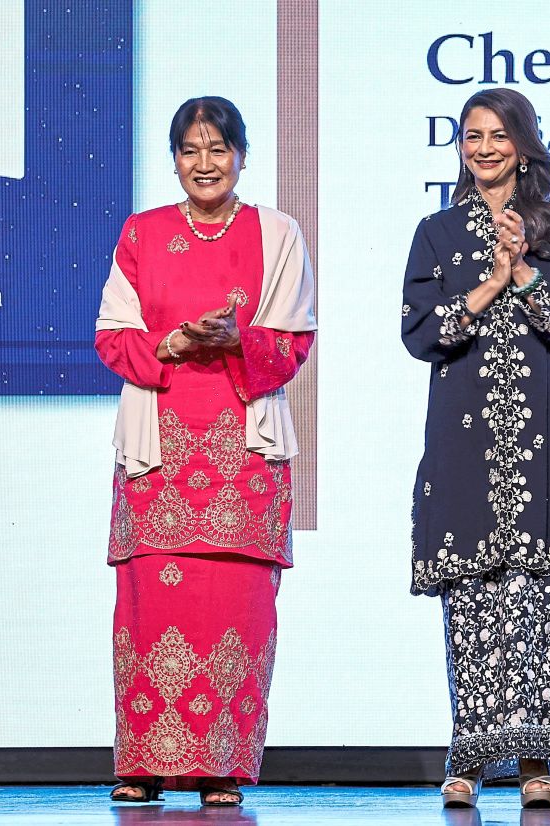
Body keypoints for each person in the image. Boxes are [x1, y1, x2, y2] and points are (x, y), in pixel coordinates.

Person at [95, 96, 317, 806]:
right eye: (190, 150)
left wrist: (235, 341)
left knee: (238, 607)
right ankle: (143, 764)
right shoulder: (143, 234)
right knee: (148, 608)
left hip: (243, 459)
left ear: (242, 155)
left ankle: (223, 767)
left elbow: (293, 344)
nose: (204, 163)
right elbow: (110, 339)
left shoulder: (277, 235)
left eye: (218, 148)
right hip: (156, 458)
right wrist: (172, 343)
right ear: (173, 159)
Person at [401, 88, 550, 809]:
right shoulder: (436, 232)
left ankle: (537, 763)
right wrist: (489, 282)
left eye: (497, 135)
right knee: (476, 601)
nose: (483, 148)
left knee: (545, 601)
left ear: (524, 145)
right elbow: (422, 332)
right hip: (466, 440)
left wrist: (525, 273)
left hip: (544, 440)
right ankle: (471, 758)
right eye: (471, 135)